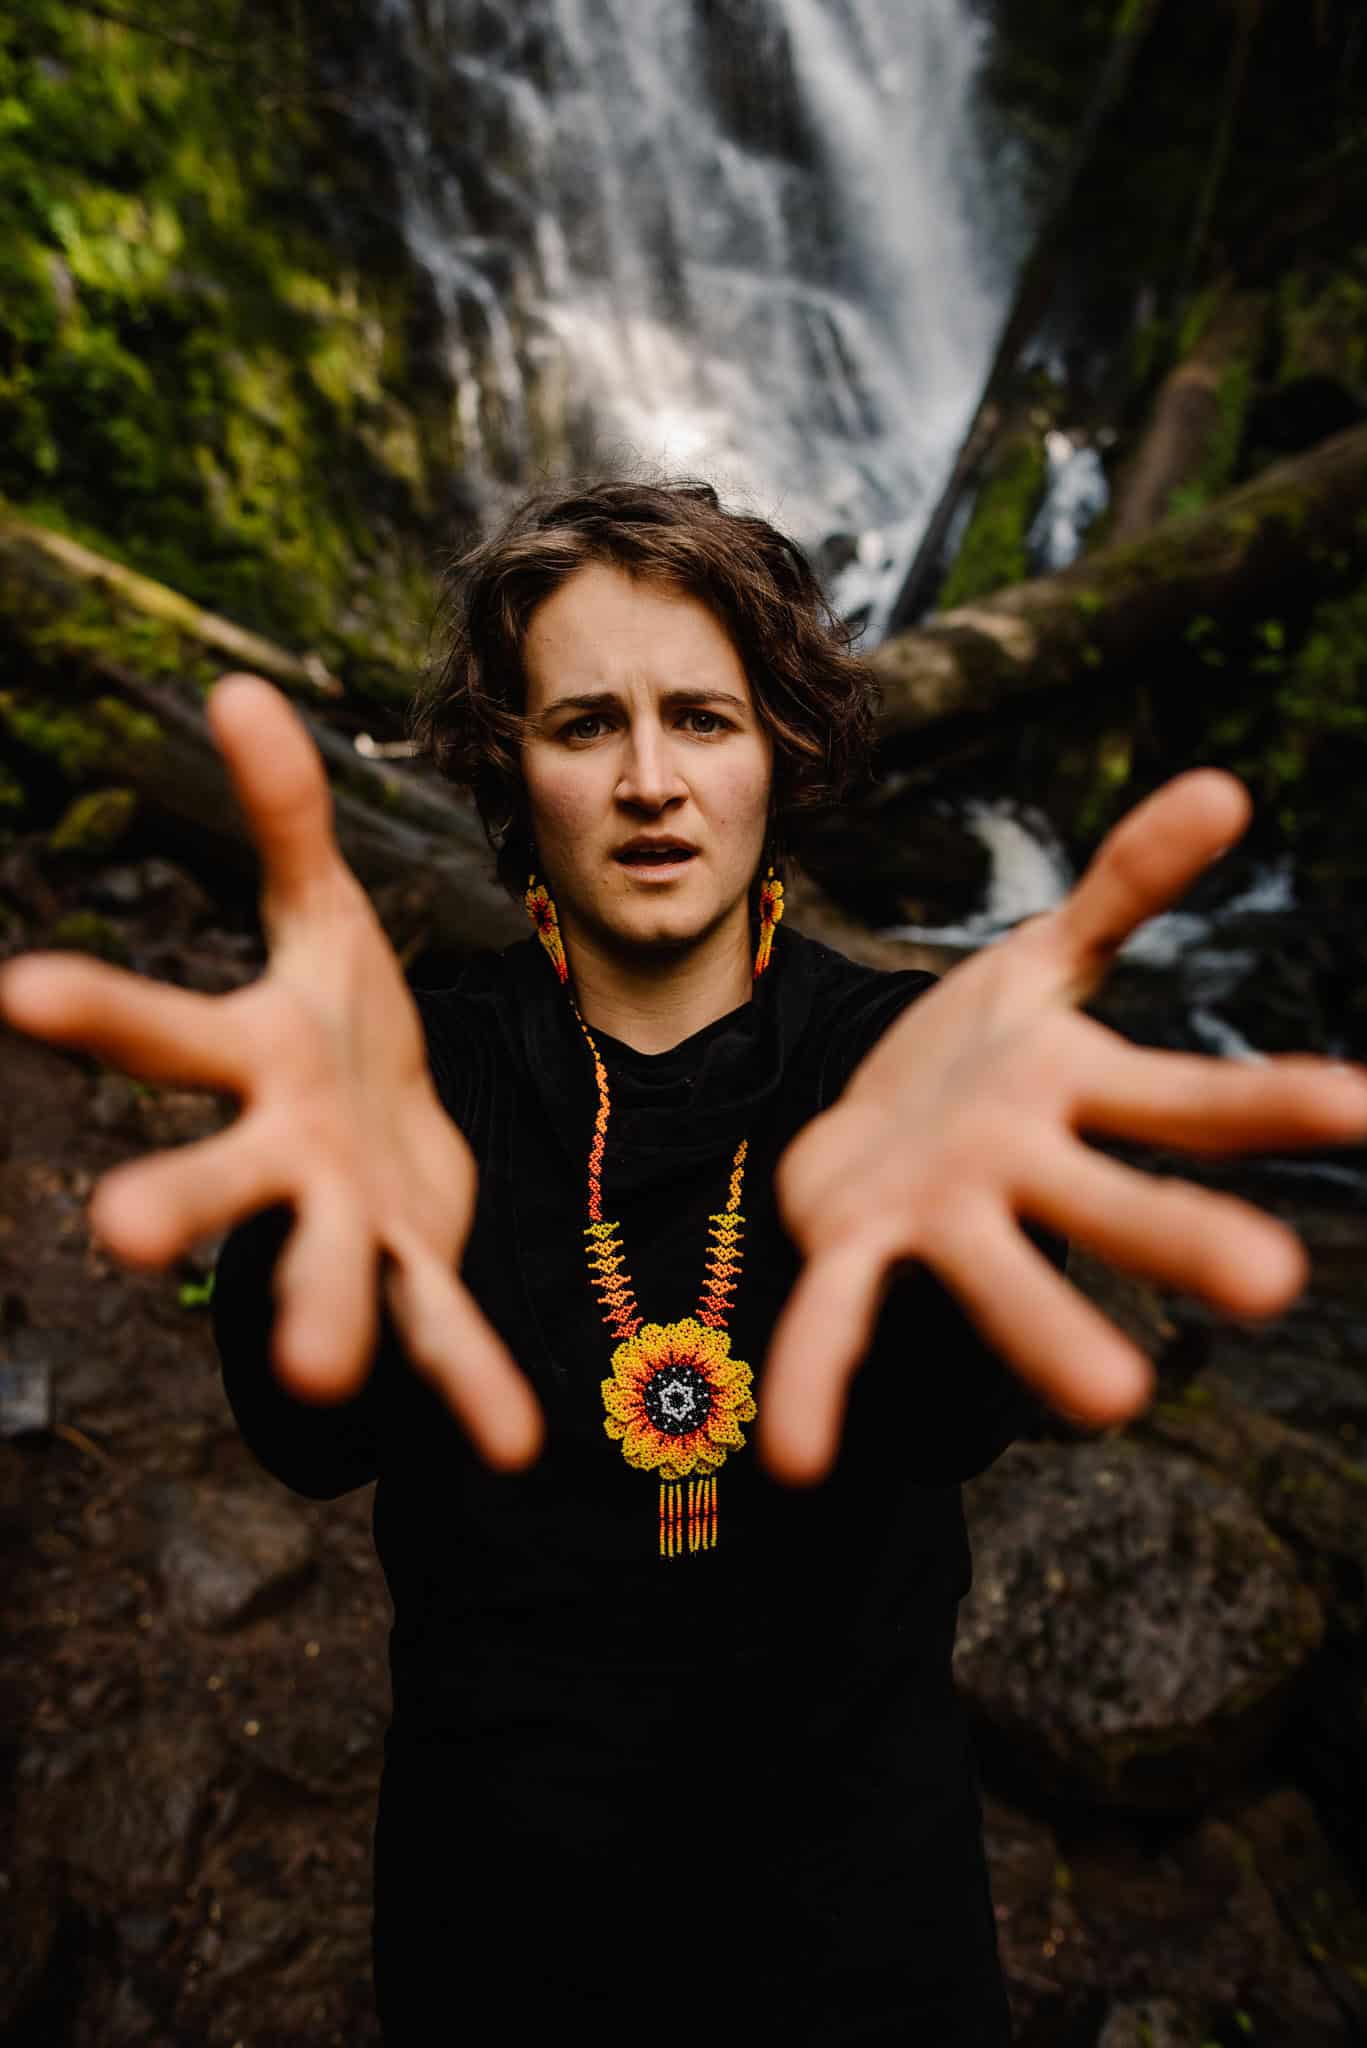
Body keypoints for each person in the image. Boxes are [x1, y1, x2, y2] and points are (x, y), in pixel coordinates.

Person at [2, 477, 1364, 2044]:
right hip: (502, 1925)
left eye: (703, 720)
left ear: (783, 744)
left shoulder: (905, 1065)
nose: (651, 780)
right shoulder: (412, 1071)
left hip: (862, 1926)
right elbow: (307, 1442)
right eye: (586, 725)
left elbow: (959, 1418)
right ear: (512, 762)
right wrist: (309, 1217)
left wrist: (967, 1215)